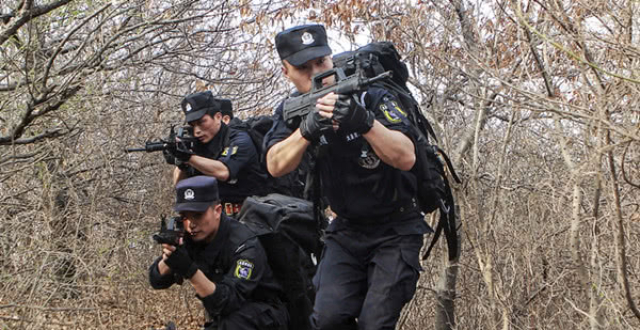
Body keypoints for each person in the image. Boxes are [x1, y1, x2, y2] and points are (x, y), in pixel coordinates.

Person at [264, 24, 432, 330]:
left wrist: (363, 120)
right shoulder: (294, 111)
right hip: (346, 231)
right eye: (303, 67)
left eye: (321, 62)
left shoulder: (371, 94)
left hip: (396, 227)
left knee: (374, 323)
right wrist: (307, 130)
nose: (317, 72)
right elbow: (275, 164)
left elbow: (406, 155)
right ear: (286, 71)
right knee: (327, 319)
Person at [148, 175, 288, 329]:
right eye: (185, 217)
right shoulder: (191, 237)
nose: (191, 224)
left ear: (217, 210)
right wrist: (171, 255)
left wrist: (190, 270)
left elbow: (226, 302)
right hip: (226, 317)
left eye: (198, 215)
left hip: (265, 316)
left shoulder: (244, 245)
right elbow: (156, 279)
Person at [165, 91, 267, 217]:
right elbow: (180, 186)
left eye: (202, 122)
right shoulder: (196, 145)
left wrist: (189, 157)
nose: (197, 131)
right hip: (215, 218)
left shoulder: (239, 139)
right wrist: (181, 162)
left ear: (218, 117)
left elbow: (223, 172)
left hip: (251, 216)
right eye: (193, 125)